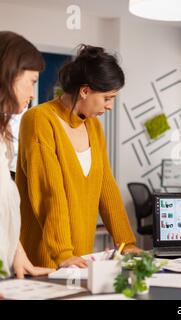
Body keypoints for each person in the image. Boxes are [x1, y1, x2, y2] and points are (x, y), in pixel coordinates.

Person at [16, 45, 141, 269]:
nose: (110, 106)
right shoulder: (39, 120)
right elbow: (48, 191)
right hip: (45, 259)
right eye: (107, 98)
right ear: (85, 91)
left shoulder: (93, 126)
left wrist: (126, 243)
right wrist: (63, 252)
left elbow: (106, 187)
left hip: (79, 260)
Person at [0, 31, 54, 278]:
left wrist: (18, 256)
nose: (34, 94)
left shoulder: (4, 139)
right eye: (32, 81)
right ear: (9, 74)